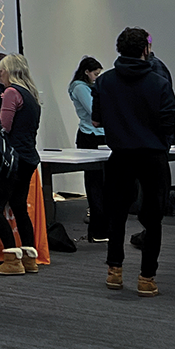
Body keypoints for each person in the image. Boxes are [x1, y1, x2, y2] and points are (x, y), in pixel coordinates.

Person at [91, 26, 175, 298]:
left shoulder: (105, 82)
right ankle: (147, 278)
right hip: (152, 156)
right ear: (145, 50)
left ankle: (114, 272)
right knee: (153, 219)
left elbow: (96, 120)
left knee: (116, 215)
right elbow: (168, 122)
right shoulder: (159, 83)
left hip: (120, 156)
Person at [0, 54, 42, 275]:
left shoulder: (10, 93)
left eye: (3, 70)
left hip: (12, 159)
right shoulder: (32, 95)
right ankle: (29, 257)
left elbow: (4, 127)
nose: (1, 73)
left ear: (9, 71)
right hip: (29, 157)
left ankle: (11, 257)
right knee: (19, 206)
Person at [69, 55, 107, 243]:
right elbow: (94, 111)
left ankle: (102, 227)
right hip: (90, 136)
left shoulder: (93, 87)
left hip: (101, 135)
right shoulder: (79, 87)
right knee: (95, 183)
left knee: (104, 183)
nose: (97, 77)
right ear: (86, 72)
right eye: (95, 74)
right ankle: (98, 229)